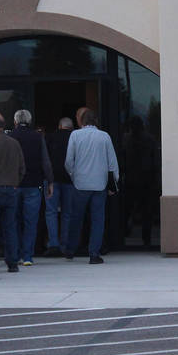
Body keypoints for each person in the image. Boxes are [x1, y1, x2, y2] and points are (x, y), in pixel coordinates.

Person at [64, 109, 119, 264]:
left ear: (81, 121)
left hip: (80, 184)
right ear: (96, 121)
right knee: (98, 220)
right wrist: (113, 183)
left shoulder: (75, 135)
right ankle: (94, 253)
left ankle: (70, 249)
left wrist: (74, 176)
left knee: (76, 218)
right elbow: (112, 163)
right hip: (99, 184)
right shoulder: (104, 136)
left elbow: (68, 161)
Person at [8, 109, 53, 266]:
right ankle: (27, 256)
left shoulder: (10, 136)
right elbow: (45, 161)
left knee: (13, 221)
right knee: (30, 222)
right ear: (29, 121)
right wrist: (50, 181)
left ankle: (14, 254)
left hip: (14, 184)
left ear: (15, 121)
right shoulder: (38, 136)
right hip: (34, 184)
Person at [0, 111, 25, 272]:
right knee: (10, 227)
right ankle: (13, 262)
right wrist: (15, 182)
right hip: (11, 188)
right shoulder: (14, 143)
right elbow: (22, 168)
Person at [122, 116, 157, 247]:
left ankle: (123, 234)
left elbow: (123, 159)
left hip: (131, 180)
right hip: (147, 180)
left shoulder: (126, 140)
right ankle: (146, 239)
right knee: (147, 211)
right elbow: (155, 160)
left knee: (127, 209)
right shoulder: (150, 139)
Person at [43, 117, 75, 257]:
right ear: (71, 127)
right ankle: (65, 244)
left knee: (51, 212)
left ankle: (53, 244)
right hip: (69, 179)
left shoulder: (50, 137)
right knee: (67, 213)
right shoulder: (74, 137)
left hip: (52, 179)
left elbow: (45, 159)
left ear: (59, 126)